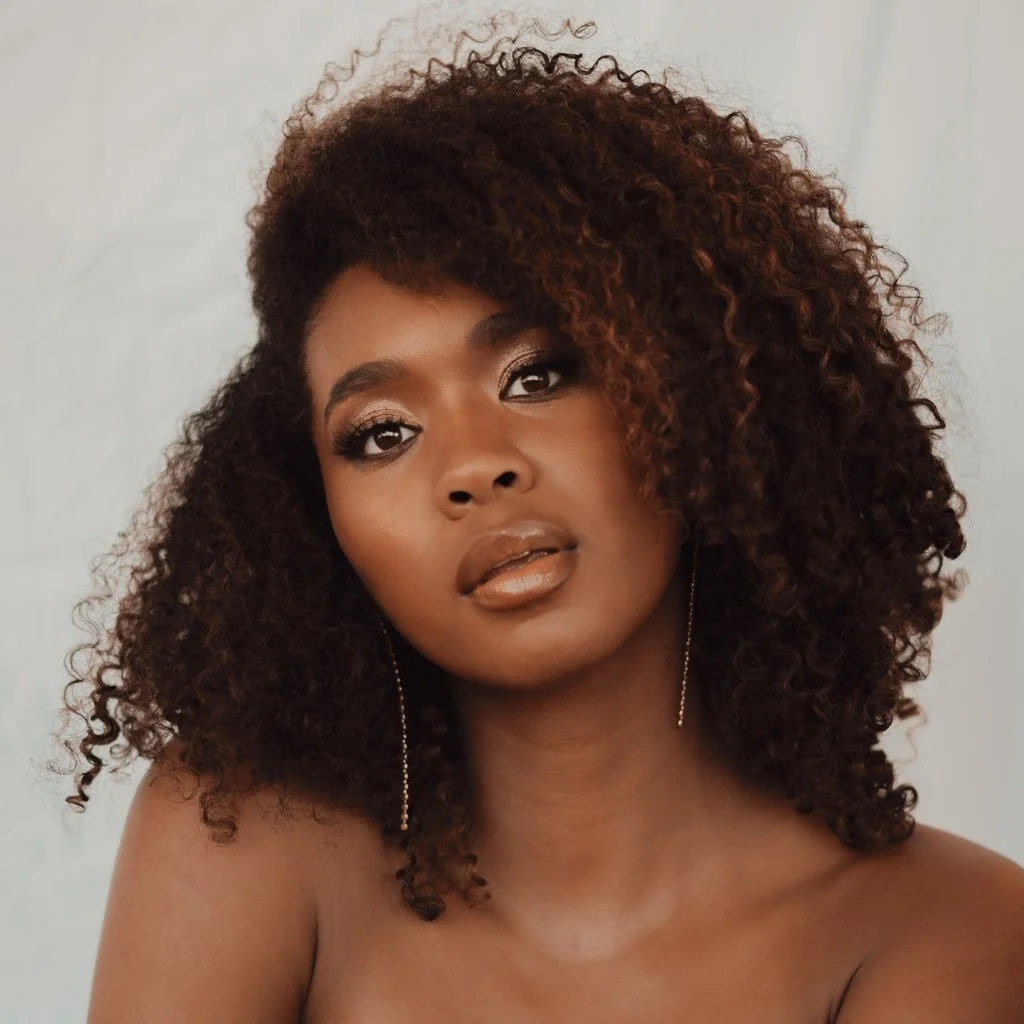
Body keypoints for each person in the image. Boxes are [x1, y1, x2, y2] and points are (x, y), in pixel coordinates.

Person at [53, 14, 1024, 1023]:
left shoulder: (941, 929)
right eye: (381, 432)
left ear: (692, 402)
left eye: (538, 374)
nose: (473, 466)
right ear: (318, 518)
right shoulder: (243, 840)